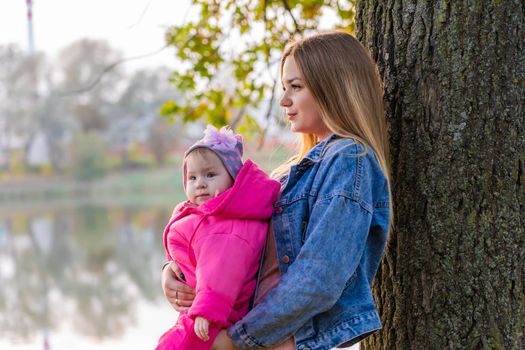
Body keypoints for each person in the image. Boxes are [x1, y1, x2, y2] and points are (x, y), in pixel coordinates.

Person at [162, 30, 393, 350]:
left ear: (333, 87)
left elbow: (319, 280)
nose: (284, 100)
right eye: (284, 88)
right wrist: (175, 270)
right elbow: (228, 237)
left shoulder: (350, 160)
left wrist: (236, 340)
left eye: (295, 88)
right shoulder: (286, 176)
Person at [156, 125, 281, 350]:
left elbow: (221, 271)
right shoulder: (211, 216)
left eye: (210, 175)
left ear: (233, 179)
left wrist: (207, 313)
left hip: (217, 314)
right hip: (203, 308)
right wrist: (171, 267)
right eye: (192, 177)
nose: (200, 183)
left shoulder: (228, 225)